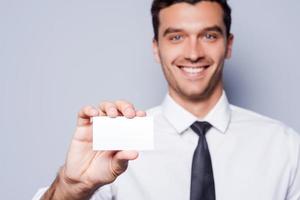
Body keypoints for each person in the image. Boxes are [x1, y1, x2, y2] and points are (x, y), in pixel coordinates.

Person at [33, 0, 300, 199]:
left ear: (228, 45)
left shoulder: (284, 146)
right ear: (156, 48)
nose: (193, 53)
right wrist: (71, 186)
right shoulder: (118, 143)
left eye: (209, 35)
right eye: (176, 37)